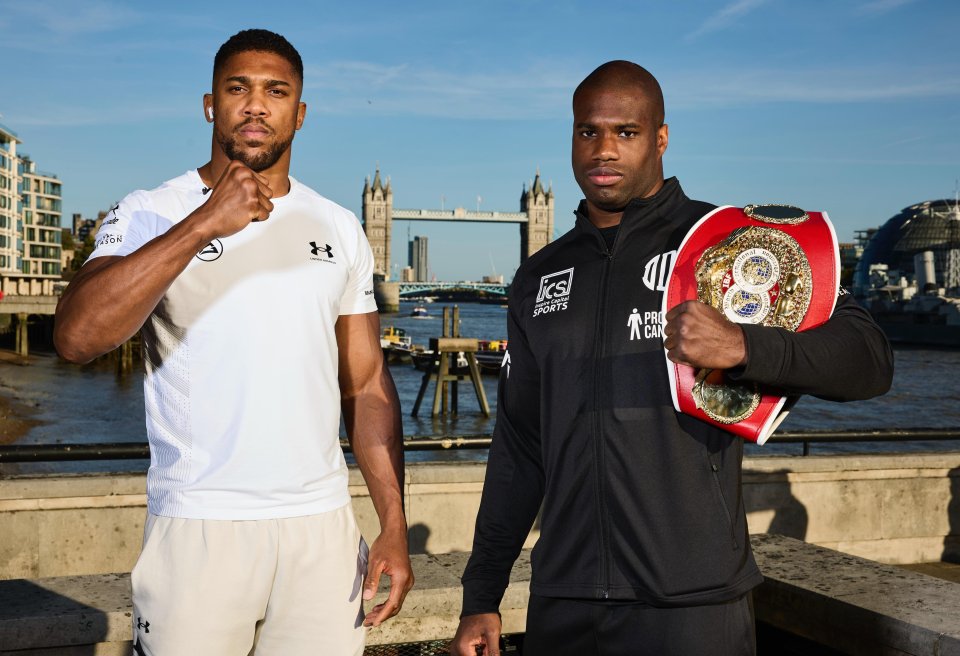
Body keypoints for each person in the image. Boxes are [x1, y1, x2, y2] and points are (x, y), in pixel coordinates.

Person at [449, 60, 893, 656]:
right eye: (588, 132)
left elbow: (869, 359)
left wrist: (745, 347)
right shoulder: (538, 276)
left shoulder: (733, 242)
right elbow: (519, 448)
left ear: (661, 137)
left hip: (693, 605)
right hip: (564, 600)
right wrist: (482, 593)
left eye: (626, 133)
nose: (604, 150)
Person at [54, 29, 413, 655]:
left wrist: (394, 522)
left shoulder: (340, 225)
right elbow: (77, 337)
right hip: (199, 525)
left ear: (299, 114)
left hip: (321, 531)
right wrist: (203, 224)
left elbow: (365, 384)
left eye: (276, 92)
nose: (255, 106)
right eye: (237, 89)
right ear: (209, 104)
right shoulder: (150, 210)